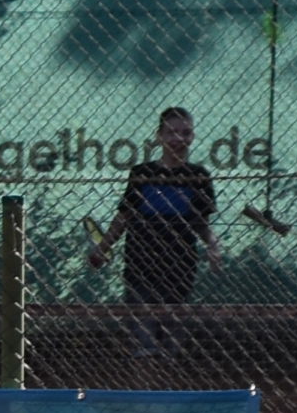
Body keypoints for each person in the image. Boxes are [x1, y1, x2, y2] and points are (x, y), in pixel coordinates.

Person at [87, 108, 218, 357]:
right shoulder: (142, 173)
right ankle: (144, 369)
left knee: (171, 341)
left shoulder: (199, 175)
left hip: (180, 264)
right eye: (171, 132)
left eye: (185, 133)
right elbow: (124, 216)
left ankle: (168, 370)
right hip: (140, 262)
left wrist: (213, 245)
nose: (178, 139)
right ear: (159, 136)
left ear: (192, 136)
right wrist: (102, 248)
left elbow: (201, 222)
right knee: (142, 342)